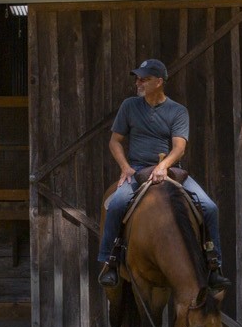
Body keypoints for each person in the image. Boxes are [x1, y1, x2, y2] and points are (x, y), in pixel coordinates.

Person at [97, 58, 227, 290]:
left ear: (159, 81)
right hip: (136, 168)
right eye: (138, 78)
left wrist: (163, 166)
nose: (139, 82)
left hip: (169, 169)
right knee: (115, 204)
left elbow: (179, 147)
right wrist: (125, 167)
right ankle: (110, 262)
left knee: (209, 207)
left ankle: (214, 264)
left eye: (144, 79)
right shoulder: (129, 106)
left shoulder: (177, 111)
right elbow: (115, 141)